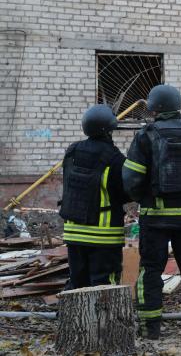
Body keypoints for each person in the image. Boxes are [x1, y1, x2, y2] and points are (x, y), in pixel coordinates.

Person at [122, 84, 181, 339]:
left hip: (155, 219)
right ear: (178, 107)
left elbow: (130, 180)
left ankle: (150, 329)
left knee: (151, 270)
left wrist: (143, 198)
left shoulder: (146, 136)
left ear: (153, 108)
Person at [60, 104, 129, 290]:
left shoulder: (72, 151)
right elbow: (125, 193)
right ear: (109, 131)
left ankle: (71, 318)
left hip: (73, 232)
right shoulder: (115, 158)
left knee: (77, 282)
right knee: (104, 285)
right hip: (104, 235)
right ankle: (106, 320)